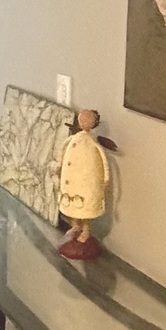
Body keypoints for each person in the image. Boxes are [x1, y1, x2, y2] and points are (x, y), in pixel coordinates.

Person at [58, 109, 110, 257]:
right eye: (82, 119)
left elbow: (104, 162)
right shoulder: (74, 139)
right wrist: (59, 166)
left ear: (93, 123)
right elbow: (62, 150)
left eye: (87, 119)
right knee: (73, 205)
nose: (83, 121)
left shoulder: (92, 144)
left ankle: (85, 231)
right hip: (72, 183)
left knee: (85, 208)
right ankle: (75, 226)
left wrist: (105, 179)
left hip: (85, 183)